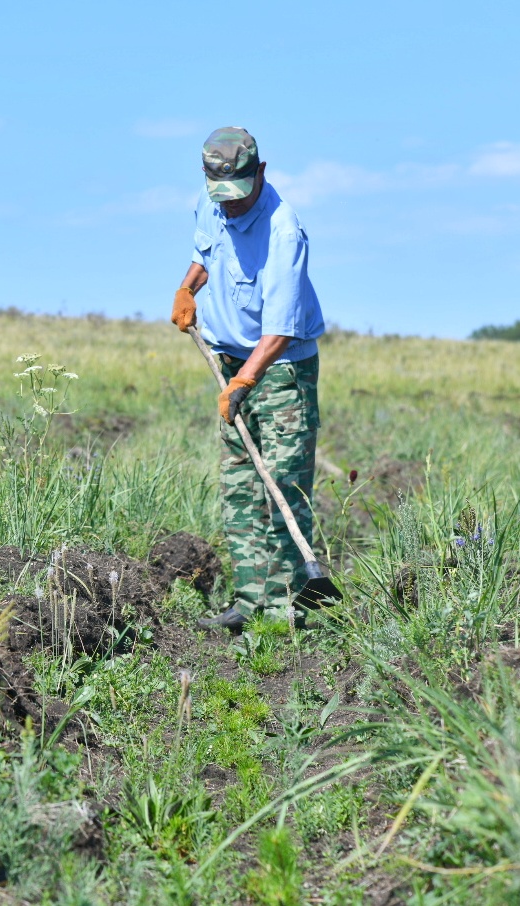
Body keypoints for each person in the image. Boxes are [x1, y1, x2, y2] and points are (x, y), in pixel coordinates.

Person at [171, 127, 325, 633]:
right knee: (240, 485)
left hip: (279, 371)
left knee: (281, 486)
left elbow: (281, 329)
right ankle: (250, 601)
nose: (231, 207)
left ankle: (286, 610)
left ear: (260, 173)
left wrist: (245, 383)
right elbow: (204, 252)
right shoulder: (212, 196)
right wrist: (188, 287)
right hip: (230, 361)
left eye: (240, 195)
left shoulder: (284, 231)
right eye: (223, 196)